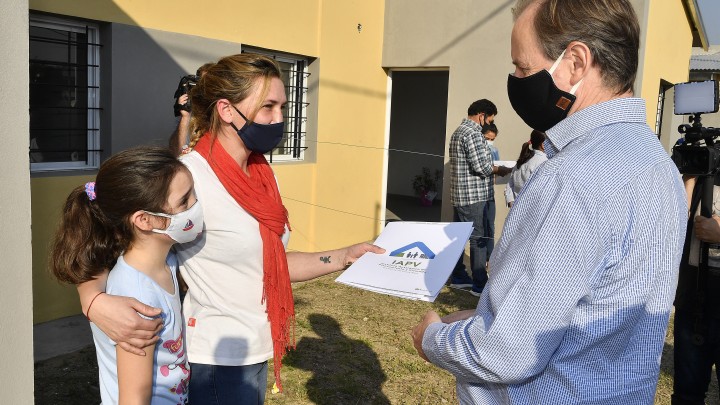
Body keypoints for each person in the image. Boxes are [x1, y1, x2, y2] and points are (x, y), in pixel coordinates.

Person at [411, 0, 687, 403]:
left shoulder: (571, 178)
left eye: (523, 68)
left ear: (575, 62)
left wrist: (432, 337)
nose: (517, 79)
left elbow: (507, 352)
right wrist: (481, 316)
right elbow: (585, 313)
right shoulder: (658, 165)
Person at [78, 53, 384, 405]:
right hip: (215, 358)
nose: (279, 118)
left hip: (256, 344)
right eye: (268, 107)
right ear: (226, 110)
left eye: (283, 106)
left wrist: (344, 256)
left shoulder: (261, 174)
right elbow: (112, 226)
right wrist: (93, 301)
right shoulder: (189, 178)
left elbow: (269, 265)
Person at [50, 146, 202, 404]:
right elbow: (134, 397)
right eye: (184, 201)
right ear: (144, 220)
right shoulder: (137, 297)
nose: (196, 206)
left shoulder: (168, 260)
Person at [447, 99, 511, 297]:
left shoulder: (458, 131)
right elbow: (481, 167)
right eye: (489, 119)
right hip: (473, 196)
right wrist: (501, 169)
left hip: (461, 194)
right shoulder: (473, 133)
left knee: (459, 238)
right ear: (481, 115)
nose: (488, 123)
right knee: (478, 239)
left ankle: (459, 277)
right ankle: (479, 284)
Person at [673, 175, 720, 405]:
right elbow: (675, 224)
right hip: (693, 303)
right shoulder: (705, 166)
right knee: (686, 396)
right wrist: (689, 181)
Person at [169, 63, 213, 155]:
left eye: (209, 83)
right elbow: (175, 150)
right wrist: (185, 117)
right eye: (201, 83)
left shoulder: (226, 112)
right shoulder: (191, 112)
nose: (204, 88)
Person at [503, 129, 548, 207]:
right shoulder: (545, 162)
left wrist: (510, 201)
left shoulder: (523, 159)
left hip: (517, 209)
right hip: (534, 210)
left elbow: (510, 183)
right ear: (543, 145)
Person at [481, 123, 500, 273]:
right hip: (478, 194)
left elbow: (496, 169)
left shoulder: (494, 150)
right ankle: (481, 260)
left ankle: (489, 259)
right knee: (479, 228)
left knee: (490, 226)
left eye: (492, 139)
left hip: (489, 193)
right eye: (487, 138)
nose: (490, 142)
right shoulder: (478, 149)